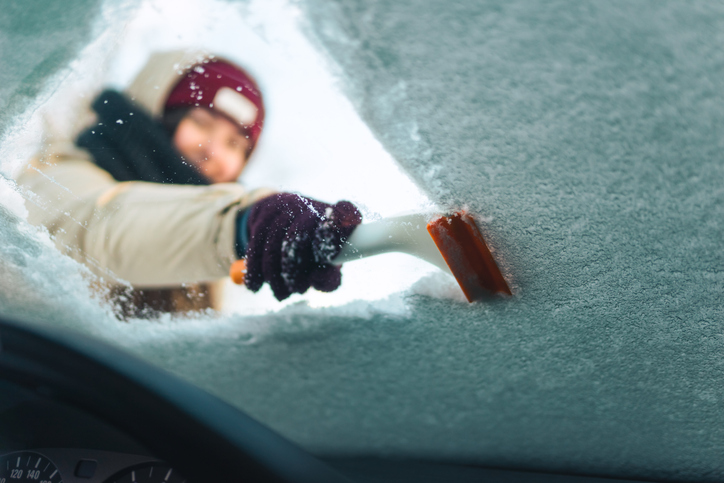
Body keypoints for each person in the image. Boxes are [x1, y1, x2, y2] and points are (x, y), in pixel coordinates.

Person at [16, 50, 361, 317]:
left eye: (235, 144)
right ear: (158, 115)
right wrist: (242, 225)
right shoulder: (57, 173)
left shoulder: (224, 266)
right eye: (201, 123)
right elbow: (101, 229)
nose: (213, 151)